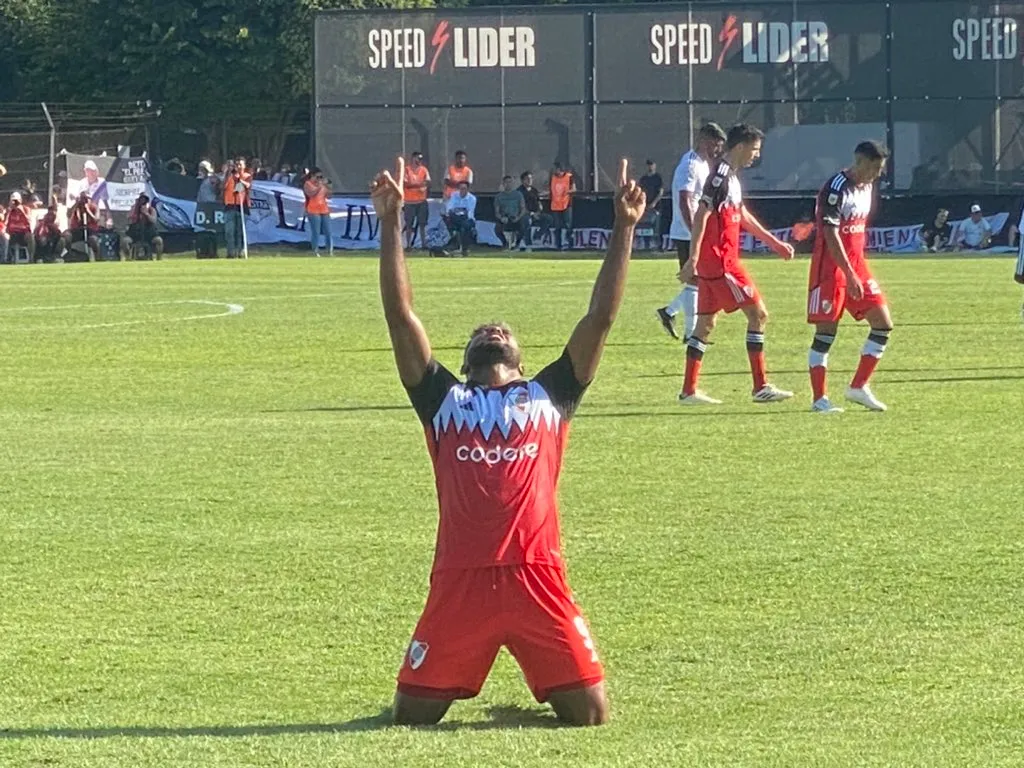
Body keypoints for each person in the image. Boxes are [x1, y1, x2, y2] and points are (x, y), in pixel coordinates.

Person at [371, 155, 645, 727]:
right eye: (481, 333)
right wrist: (392, 223)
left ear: (520, 359)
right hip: (460, 579)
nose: (492, 332)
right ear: (468, 358)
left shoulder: (551, 396)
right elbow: (401, 317)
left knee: (590, 714)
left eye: (502, 332)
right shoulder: (443, 401)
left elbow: (599, 318)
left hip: (537, 576)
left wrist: (624, 230)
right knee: (411, 717)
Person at [680, 123, 795, 405]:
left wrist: (774, 243)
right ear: (741, 146)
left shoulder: (731, 176)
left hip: (716, 263)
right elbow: (700, 215)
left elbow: (741, 214)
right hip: (722, 264)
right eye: (755, 149)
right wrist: (692, 258)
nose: (756, 155)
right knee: (759, 315)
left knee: (704, 325)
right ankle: (760, 386)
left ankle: (689, 391)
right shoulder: (719, 176)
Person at [807, 141, 892, 413]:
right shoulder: (835, 189)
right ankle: (820, 400)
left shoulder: (867, 187)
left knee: (882, 324)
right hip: (830, 271)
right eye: (874, 168)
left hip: (858, 267)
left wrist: (856, 271)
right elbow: (830, 234)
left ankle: (858, 387)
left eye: (881, 169)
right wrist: (848, 273)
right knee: (826, 333)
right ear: (859, 162)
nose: (877, 174)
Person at [656, 123, 727, 341]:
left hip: (696, 230)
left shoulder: (703, 164)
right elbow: (685, 199)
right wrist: (693, 229)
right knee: (696, 280)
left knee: (698, 281)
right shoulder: (689, 165)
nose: (717, 150)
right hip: (686, 232)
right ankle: (689, 332)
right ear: (705, 141)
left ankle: (670, 314)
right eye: (715, 145)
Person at [222, 157, 252, 259]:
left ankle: (241, 251)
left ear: (244, 166)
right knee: (229, 231)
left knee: (241, 231)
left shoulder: (247, 176)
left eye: (240, 164)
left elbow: (248, 185)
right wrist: (228, 174)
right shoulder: (230, 176)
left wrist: (240, 180)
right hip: (230, 205)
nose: (238, 167)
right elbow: (222, 187)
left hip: (242, 206)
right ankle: (231, 252)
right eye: (237, 164)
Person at [403, 152, 431, 249]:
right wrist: (419, 185)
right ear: (413, 158)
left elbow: (427, 181)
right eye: (418, 159)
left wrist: (416, 185)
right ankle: (408, 245)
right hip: (409, 201)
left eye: (420, 159)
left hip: (421, 201)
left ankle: (424, 244)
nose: (419, 161)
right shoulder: (407, 170)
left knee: (422, 224)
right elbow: (406, 184)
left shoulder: (424, 170)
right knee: (409, 224)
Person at [123, 193, 164, 260]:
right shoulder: (134, 209)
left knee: (159, 241)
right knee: (125, 241)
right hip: (135, 234)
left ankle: (158, 259)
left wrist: (146, 214)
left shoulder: (151, 210)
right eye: (141, 199)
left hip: (149, 234)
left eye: (144, 199)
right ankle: (128, 258)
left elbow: (153, 220)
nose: (142, 201)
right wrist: (134, 210)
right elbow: (129, 219)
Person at [303, 167, 333, 257]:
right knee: (316, 231)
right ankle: (315, 250)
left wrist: (329, 187)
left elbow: (329, 196)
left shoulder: (322, 185)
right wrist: (319, 186)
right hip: (313, 209)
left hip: (324, 209)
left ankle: (329, 251)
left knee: (328, 231)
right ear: (312, 176)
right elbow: (311, 194)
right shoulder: (307, 184)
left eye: (321, 177)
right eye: (318, 177)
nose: (319, 179)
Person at [493, 175, 528, 251]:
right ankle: (505, 244)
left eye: (510, 182)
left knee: (524, 223)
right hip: (505, 218)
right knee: (497, 228)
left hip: (516, 217)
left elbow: (523, 209)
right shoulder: (499, 196)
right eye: (506, 182)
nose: (508, 184)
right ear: (503, 184)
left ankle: (517, 244)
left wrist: (518, 217)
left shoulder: (518, 194)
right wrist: (501, 218)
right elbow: (497, 212)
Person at [64, 191, 100, 261]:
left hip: (90, 230)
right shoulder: (76, 207)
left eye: (86, 199)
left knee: (94, 240)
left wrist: (88, 211)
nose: (85, 201)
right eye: (83, 199)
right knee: (66, 236)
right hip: (77, 230)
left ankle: (97, 258)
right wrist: (76, 203)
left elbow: (96, 219)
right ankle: (69, 254)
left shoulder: (94, 206)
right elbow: (68, 215)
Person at [444, 181, 477, 257]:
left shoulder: (472, 198)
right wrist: (459, 211)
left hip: (468, 219)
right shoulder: (454, 195)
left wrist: (458, 211)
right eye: (461, 189)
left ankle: (464, 248)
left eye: (464, 189)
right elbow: (449, 208)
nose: (462, 191)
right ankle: (455, 244)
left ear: (468, 189)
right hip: (455, 218)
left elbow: (470, 212)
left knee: (465, 225)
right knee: (449, 219)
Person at [637, 159, 664, 251]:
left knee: (656, 227)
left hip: (656, 207)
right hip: (645, 207)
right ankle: (646, 245)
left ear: (655, 165)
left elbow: (660, 192)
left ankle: (658, 247)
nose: (650, 167)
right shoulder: (643, 179)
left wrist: (654, 203)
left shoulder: (657, 178)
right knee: (645, 227)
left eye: (651, 165)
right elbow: (640, 191)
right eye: (648, 165)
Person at [549, 162, 576, 251]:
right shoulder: (552, 178)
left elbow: (574, 189)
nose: (554, 171)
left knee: (568, 225)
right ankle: (558, 245)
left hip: (566, 204)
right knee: (557, 226)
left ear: (559, 169)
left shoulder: (569, 177)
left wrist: (568, 192)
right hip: (555, 205)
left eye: (555, 169)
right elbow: (550, 189)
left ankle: (569, 244)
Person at [517, 171, 546, 252]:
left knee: (548, 218)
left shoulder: (534, 190)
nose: (530, 180)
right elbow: (521, 207)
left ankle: (537, 237)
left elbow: (539, 203)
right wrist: (532, 214)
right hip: (524, 214)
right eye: (527, 179)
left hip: (536, 213)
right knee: (527, 220)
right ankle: (527, 243)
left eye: (531, 178)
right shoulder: (519, 192)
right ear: (523, 180)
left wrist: (539, 212)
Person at [4, 193, 35, 262]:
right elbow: (5, 223)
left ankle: (31, 258)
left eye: (16, 201)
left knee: (30, 237)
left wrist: (22, 211)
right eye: (13, 201)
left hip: (23, 234)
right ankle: (6, 258)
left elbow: (29, 221)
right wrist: (8, 212)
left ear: (20, 201)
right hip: (12, 234)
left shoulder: (26, 209)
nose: (15, 203)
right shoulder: (9, 211)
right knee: (5, 237)